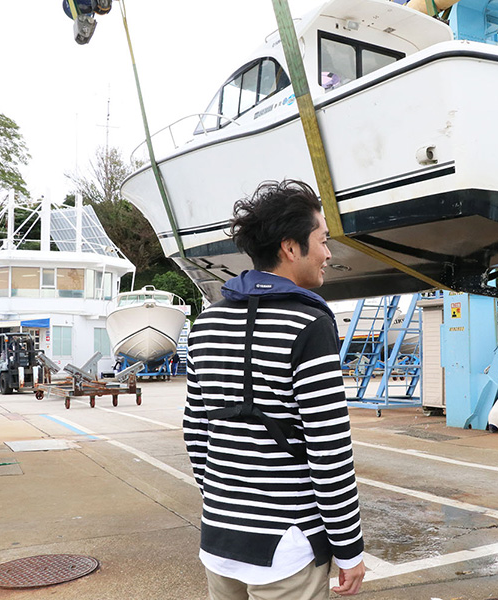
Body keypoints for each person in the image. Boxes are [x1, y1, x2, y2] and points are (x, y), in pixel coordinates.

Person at [183, 180, 366, 599]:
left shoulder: (205, 324)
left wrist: (226, 504)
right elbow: (329, 449)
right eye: (321, 241)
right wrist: (350, 548)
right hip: (289, 546)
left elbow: (196, 433)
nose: (328, 253)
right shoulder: (309, 324)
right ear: (290, 247)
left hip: (219, 539)